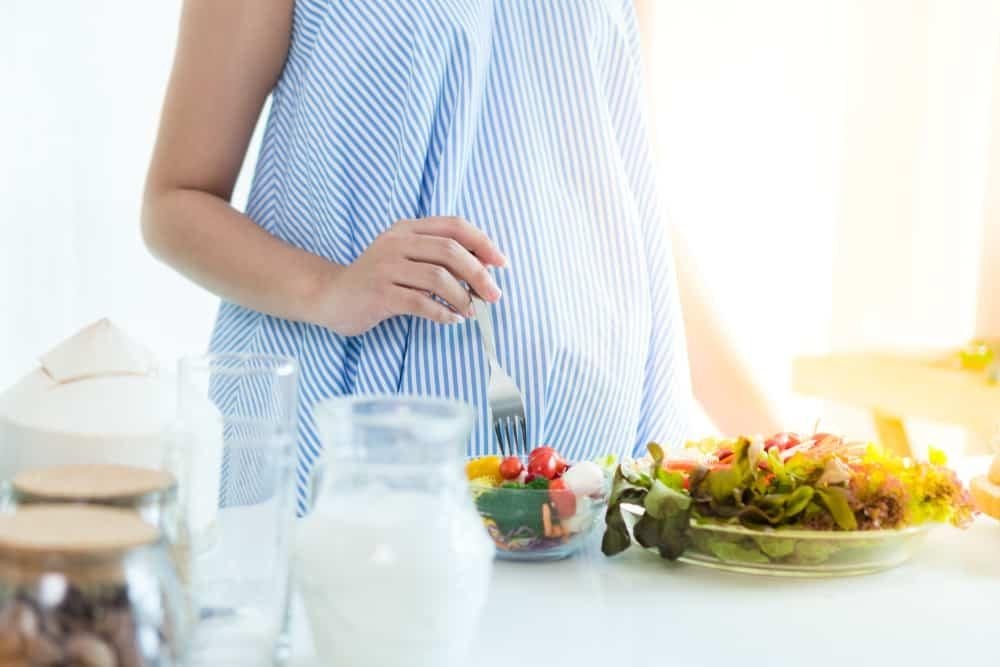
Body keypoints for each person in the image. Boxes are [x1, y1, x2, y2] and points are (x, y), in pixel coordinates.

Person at [143, 0, 779, 510]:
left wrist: (770, 442)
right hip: (346, 467)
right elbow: (175, 201)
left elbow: (628, 190)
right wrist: (328, 289)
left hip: (599, 463)